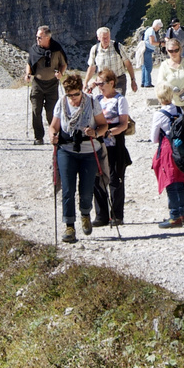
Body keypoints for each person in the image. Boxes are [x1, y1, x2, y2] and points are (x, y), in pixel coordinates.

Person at [50, 72, 107, 243]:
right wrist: (52, 135)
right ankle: (69, 226)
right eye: (70, 95)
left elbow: (104, 125)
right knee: (67, 189)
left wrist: (95, 132)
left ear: (81, 90)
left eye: (76, 94)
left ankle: (85, 213)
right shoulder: (61, 103)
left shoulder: (91, 101)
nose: (73, 98)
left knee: (86, 187)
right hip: (66, 149)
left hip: (89, 150)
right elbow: (54, 125)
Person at [150, 84, 184, 228]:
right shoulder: (179, 110)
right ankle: (182, 213)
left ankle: (174, 215)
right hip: (181, 149)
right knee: (181, 181)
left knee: (171, 182)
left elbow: (154, 138)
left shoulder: (159, 115)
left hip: (168, 150)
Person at [92, 69, 132, 226]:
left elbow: (123, 124)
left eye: (101, 83)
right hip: (98, 144)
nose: (99, 87)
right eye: (97, 83)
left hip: (115, 144)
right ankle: (101, 215)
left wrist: (108, 132)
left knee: (116, 179)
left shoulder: (120, 100)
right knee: (98, 178)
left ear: (111, 83)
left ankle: (116, 215)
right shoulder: (96, 99)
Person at [25, 26, 69, 144]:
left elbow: (63, 64)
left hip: (52, 84)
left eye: (40, 37)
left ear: (47, 37)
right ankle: (38, 137)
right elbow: (29, 62)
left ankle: (54, 135)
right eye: (37, 37)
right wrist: (28, 74)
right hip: (37, 84)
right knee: (36, 110)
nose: (37, 39)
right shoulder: (34, 49)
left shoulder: (56, 49)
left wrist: (61, 73)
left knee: (52, 111)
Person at [87, 26, 138, 92]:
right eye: (103, 38)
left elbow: (128, 64)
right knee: (105, 101)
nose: (106, 40)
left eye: (107, 37)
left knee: (118, 101)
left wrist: (133, 80)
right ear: (98, 38)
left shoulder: (117, 46)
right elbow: (92, 67)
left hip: (118, 80)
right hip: (103, 82)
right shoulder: (95, 49)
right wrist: (86, 83)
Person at [152, 38, 184, 107]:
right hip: (171, 106)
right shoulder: (164, 65)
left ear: (180, 49)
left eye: (176, 50)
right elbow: (160, 85)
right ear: (167, 50)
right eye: (171, 51)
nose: (174, 53)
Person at [140, 18, 165, 88]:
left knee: (144, 66)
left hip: (145, 49)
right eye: (159, 27)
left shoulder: (149, 30)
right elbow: (152, 42)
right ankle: (147, 83)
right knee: (148, 66)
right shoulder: (151, 31)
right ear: (157, 26)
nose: (159, 28)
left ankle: (143, 82)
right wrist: (160, 44)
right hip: (147, 49)